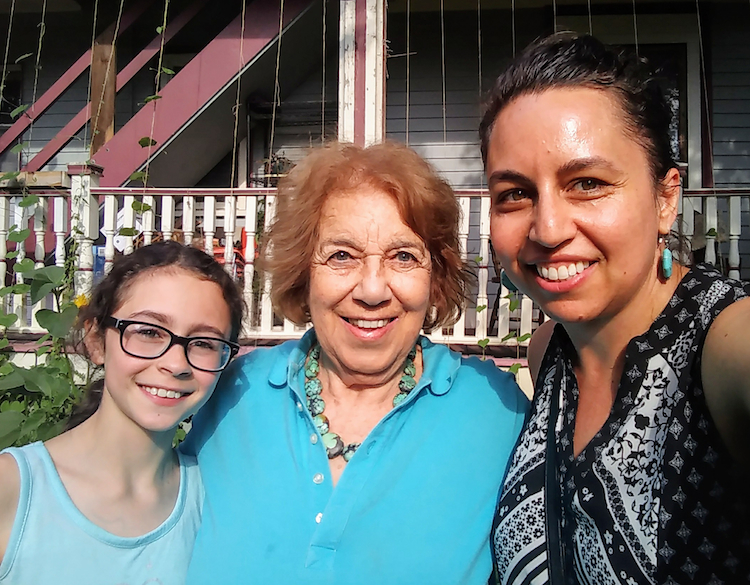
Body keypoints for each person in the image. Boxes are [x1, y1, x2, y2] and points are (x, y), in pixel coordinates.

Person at [182, 141, 529, 585]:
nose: (371, 290)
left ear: (435, 278)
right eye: (341, 255)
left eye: (403, 256)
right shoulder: (232, 394)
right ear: (303, 273)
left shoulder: (494, 411)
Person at [481, 33, 750, 584]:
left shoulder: (724, 349)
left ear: (666, 198)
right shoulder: (547, 354)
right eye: (514, 193)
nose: (547, 229)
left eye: (587, 183)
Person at [0, 241, 244, 584]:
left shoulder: (218, 501)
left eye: (204, 343)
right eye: (148, 332)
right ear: (97, 340)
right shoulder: (13, 489)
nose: (175, 363)